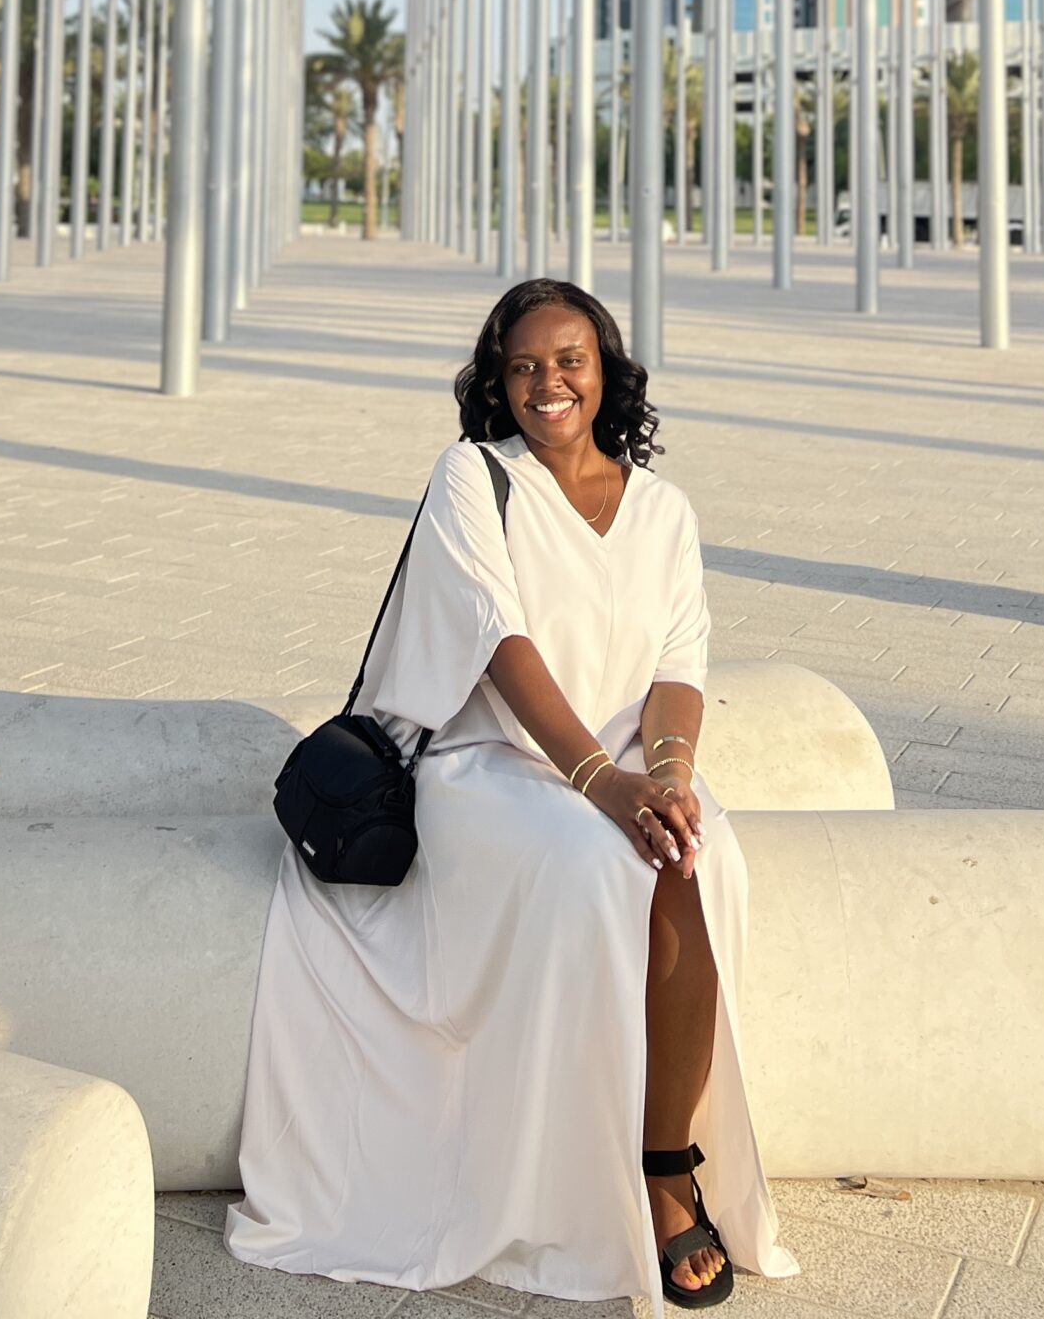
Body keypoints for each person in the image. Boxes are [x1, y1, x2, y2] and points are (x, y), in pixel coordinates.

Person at [227, 277, 795, 1311]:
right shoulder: (472, 477)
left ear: (607, 373)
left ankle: (667, 1164)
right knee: (590, 864)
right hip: (493, 770)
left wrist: (662, 782)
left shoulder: (664, 509)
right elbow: (500, 642)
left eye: (569, 361)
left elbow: (680, 661)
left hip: (626, 761)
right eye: (523, 365)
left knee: (702, 858)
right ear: (497, 381)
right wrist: (601, 785)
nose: (547, 383)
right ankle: (584, 1192)